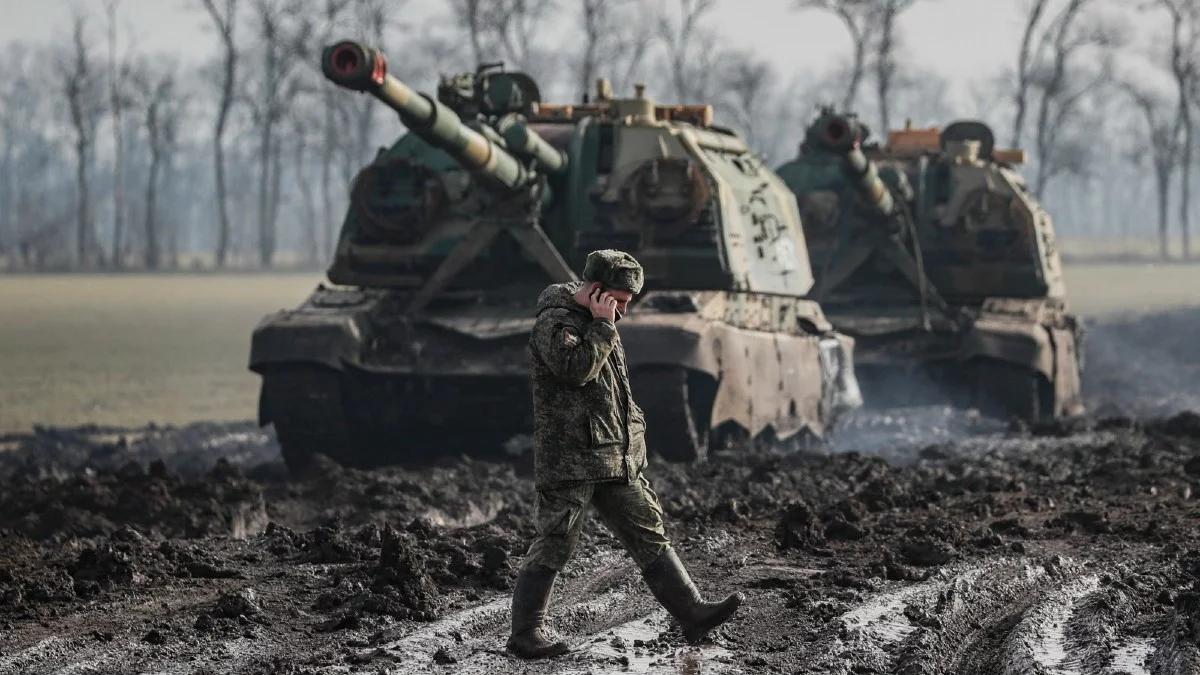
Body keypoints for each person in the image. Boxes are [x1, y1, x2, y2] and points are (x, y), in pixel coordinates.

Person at [507, 249, 743, 659]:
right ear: (597, 292)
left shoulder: (600, 322)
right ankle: (525, 633)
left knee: (647, 530)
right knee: (557, 540)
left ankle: (690, 611)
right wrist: (600, 326)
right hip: (573, 459)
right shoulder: (557, 323)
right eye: (619, 300)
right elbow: (574, 370)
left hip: (613, 457)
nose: (624, 312)